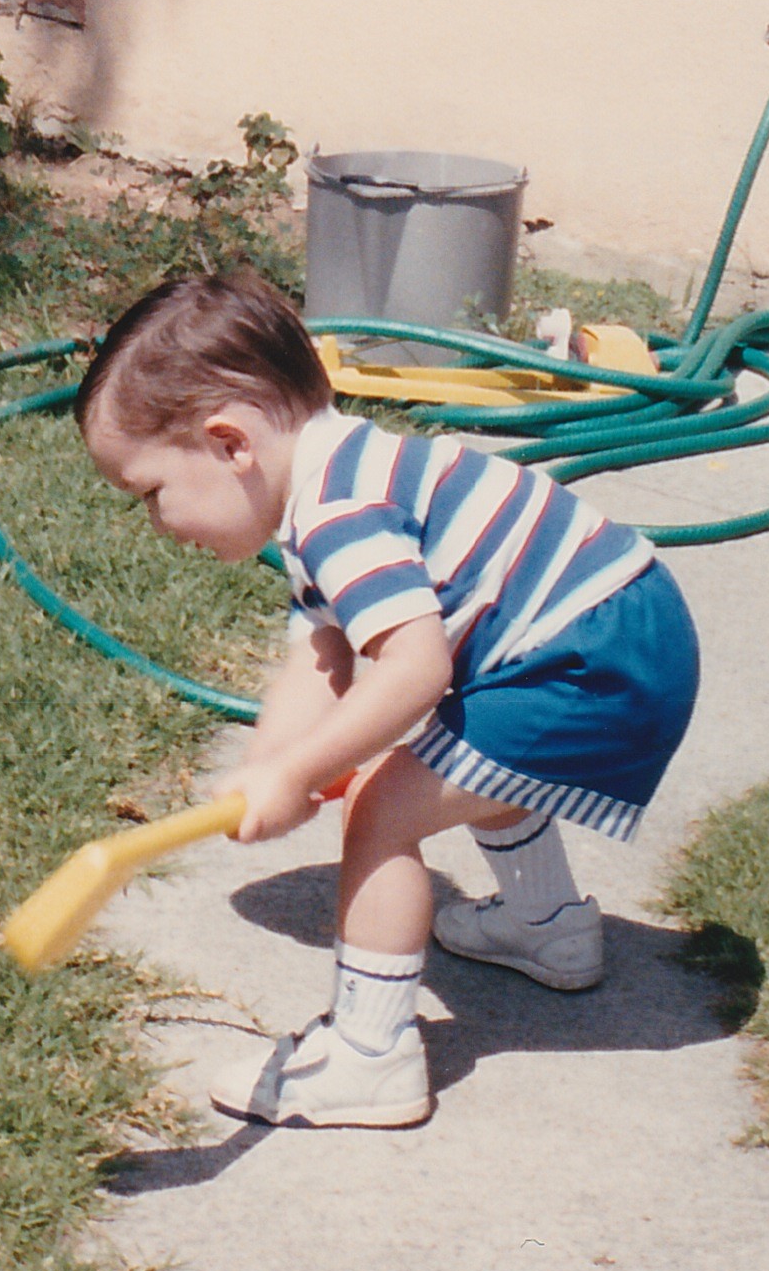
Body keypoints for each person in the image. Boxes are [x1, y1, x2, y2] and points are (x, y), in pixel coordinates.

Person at [74, 270, 702, 1128]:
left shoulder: (339, 516)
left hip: (595, 662)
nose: (157, 524)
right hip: (620, 631)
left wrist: (305, 773)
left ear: (230, 445)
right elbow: (321, 655)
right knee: (470, 753)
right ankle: (548, 925)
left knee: (382, 807)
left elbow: (414, 671)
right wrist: (271, 766)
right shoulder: (340, 473)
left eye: (151, 494)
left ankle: (373, 1057)